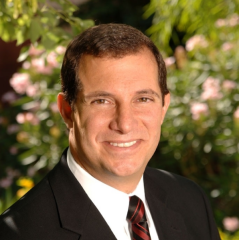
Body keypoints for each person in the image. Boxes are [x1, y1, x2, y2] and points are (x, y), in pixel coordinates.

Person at [0, 23, 221, 240]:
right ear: (67, 111)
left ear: (164, 107)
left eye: (143, 99)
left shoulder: (190, 201)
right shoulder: (19, 233)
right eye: (102, 101)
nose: (124, 124)